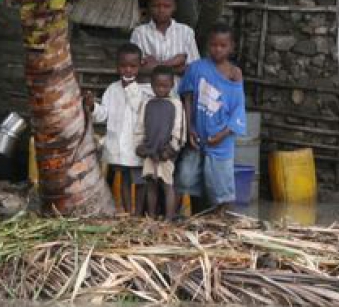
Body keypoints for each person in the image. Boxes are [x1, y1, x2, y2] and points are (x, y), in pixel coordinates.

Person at [175, 23, 246, 210]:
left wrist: (223, 133)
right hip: (197, 136)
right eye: (214, 45)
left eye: (223, 45)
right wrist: (190, 128)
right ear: (208, 45)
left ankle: (224, 218)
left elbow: (238, 108)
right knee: (187, 178)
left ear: (231, 47)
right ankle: (197, 217)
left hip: (221, 139)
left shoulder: (234, 73)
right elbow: (187, 97)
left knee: (221, 186)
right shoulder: (196, 68)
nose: (218, 49)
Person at [86, 43, 151, 215]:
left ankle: (138, 213)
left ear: (140, 66)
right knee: (124, 180)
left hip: (136, 145)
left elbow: (140, 108)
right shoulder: (112, 89)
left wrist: (130, 86)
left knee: (140, 181)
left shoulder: (145, 89)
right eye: (123, 66)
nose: (128, 70)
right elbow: (103, 115)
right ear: (117, 66)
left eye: (132, 66)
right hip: (119, 146)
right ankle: (128, 212)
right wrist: (93, 106)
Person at [135, 66, 186, 220]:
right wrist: (140, 146)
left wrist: (172, 148)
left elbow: (179, 129)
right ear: (152, 85)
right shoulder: (147, 103)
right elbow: (140, 127)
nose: (161, 89)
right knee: (151, 184)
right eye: (157, 85)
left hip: (166, 152)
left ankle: (169, 218)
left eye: (165, 86)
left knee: (167, 185)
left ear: (172, 85)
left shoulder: (176, 104)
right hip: (150, 151)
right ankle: (151, 217)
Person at [130, 0, 200, 77]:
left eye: (167, 6)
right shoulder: (139, 33)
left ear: (174, 7)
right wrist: (173, 63)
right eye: (156, 6)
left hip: (178, 85)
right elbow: (135, 68)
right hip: (148, 85)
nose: (161, 10)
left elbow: (194, 68)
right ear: (149, 6)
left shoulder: (186, 32)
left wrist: (155, 65)